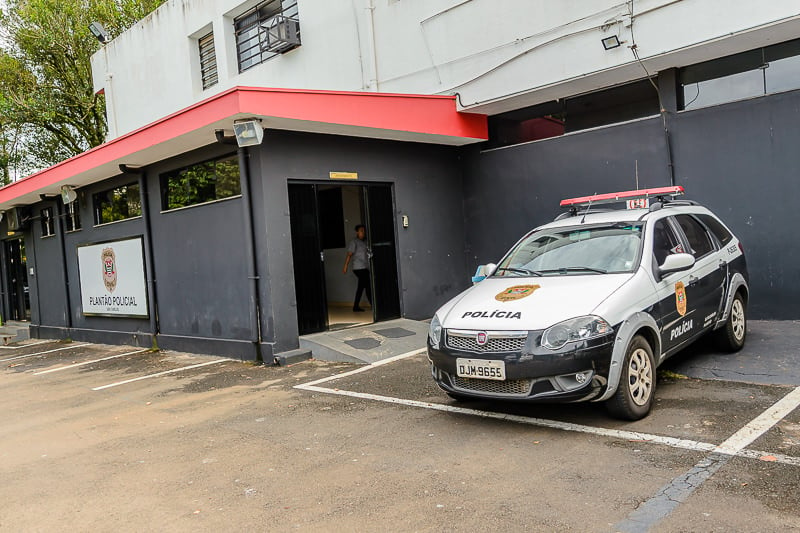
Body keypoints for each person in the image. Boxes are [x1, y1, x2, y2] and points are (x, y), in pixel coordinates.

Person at [342, 224, 372, 312]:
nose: (363, 232)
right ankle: (373, 305)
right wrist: (345, 266)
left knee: (361, 287)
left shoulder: (365, 242)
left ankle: (355, 306)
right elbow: (349, 255)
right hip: (358, 268)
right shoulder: (354, 242)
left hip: (365, 267)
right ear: (357, 232)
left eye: (364, 230)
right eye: (361, 231)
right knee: (367, 287)